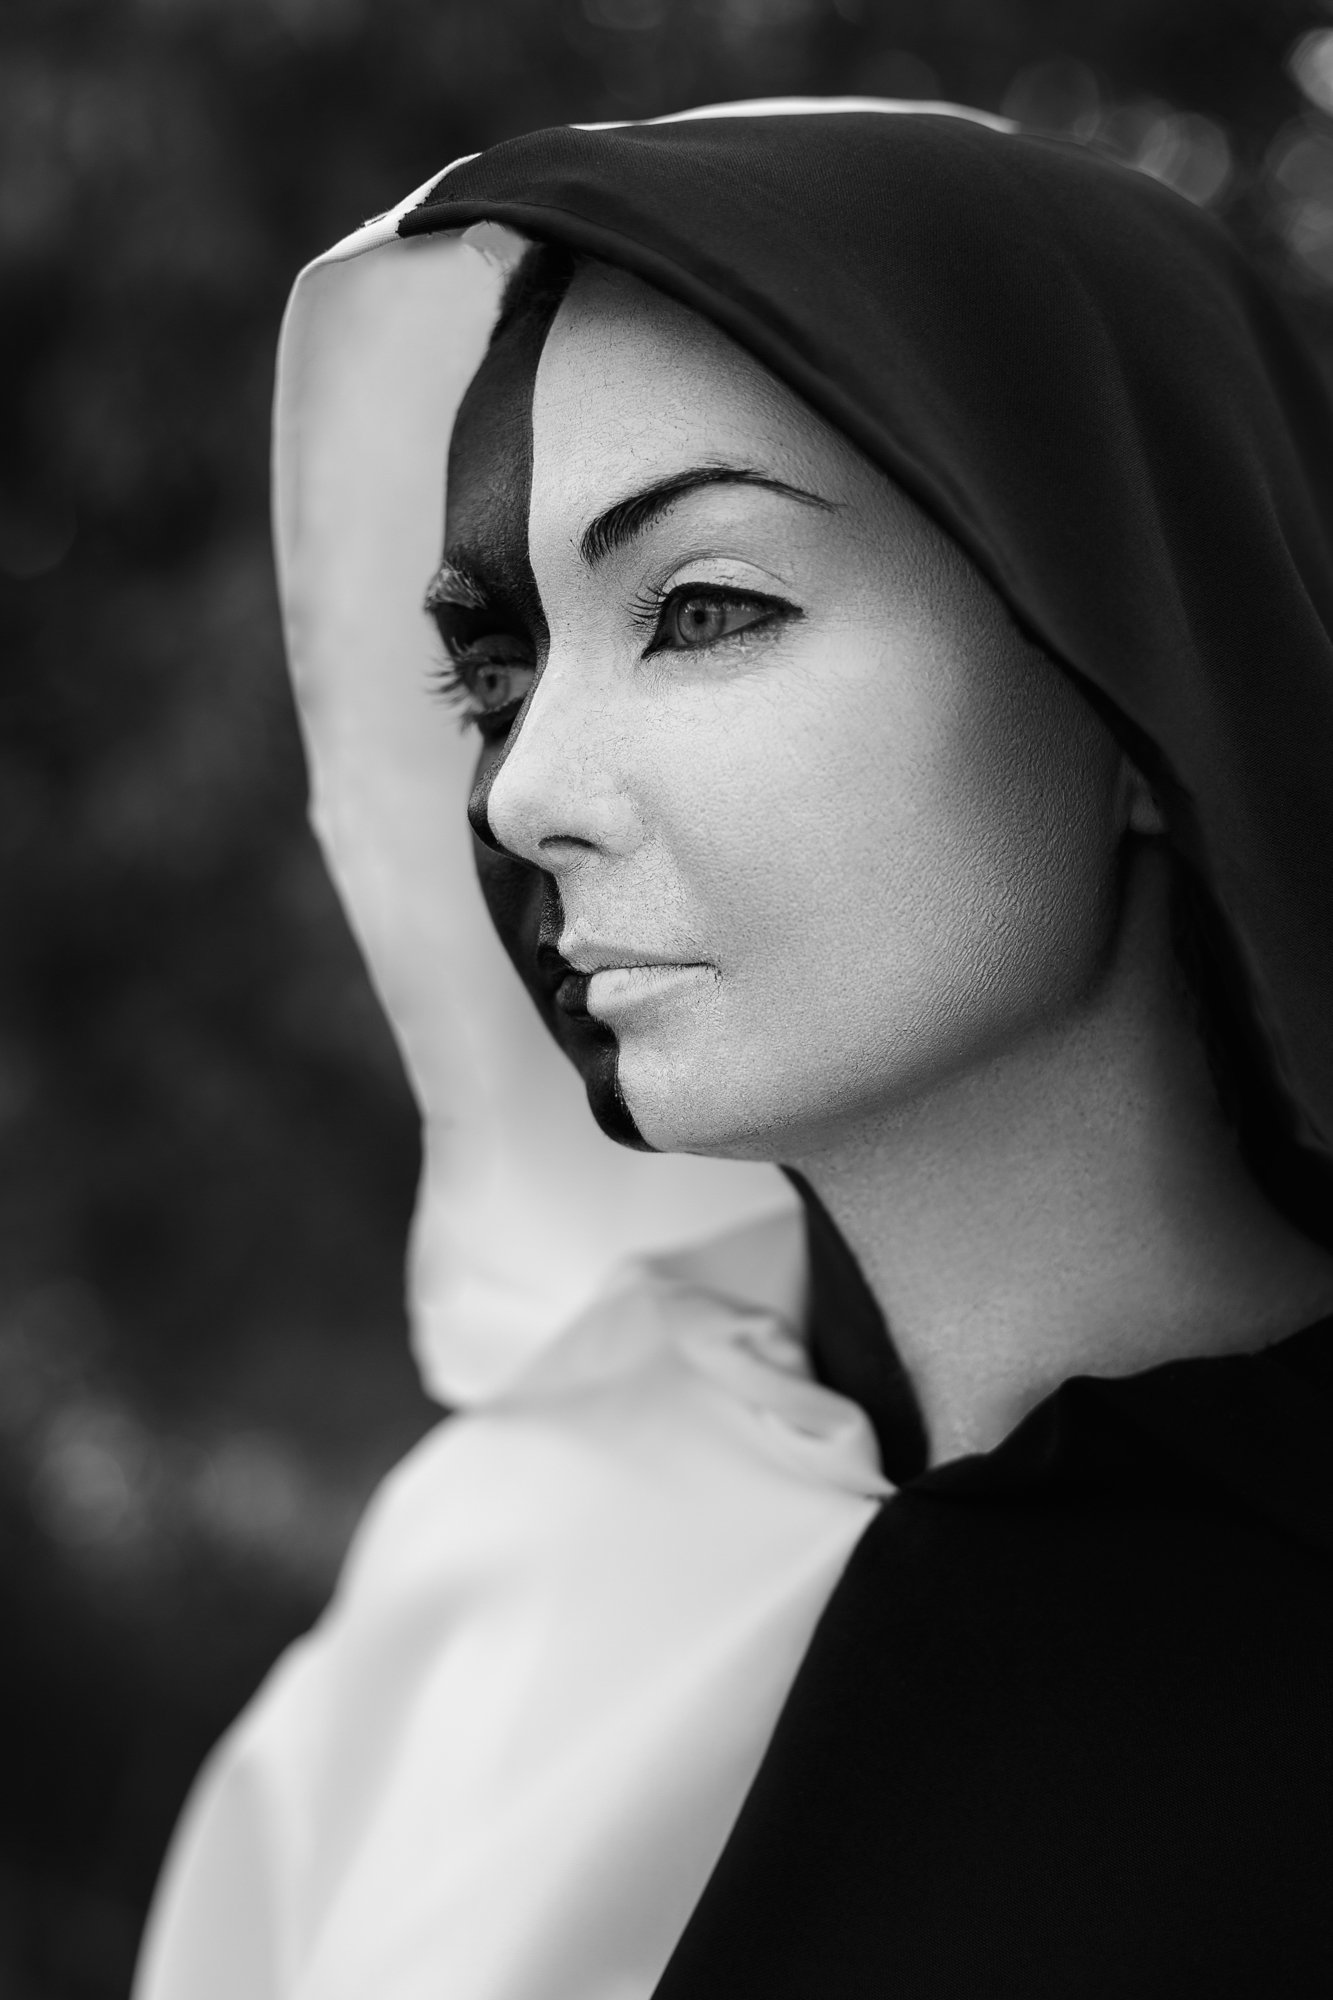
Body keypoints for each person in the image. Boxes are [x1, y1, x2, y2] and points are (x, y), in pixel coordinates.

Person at [134, 101, 1333, 1999]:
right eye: (493, 678)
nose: (521, 791)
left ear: (1141, 662)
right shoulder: (496, 1565)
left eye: (703, 609)